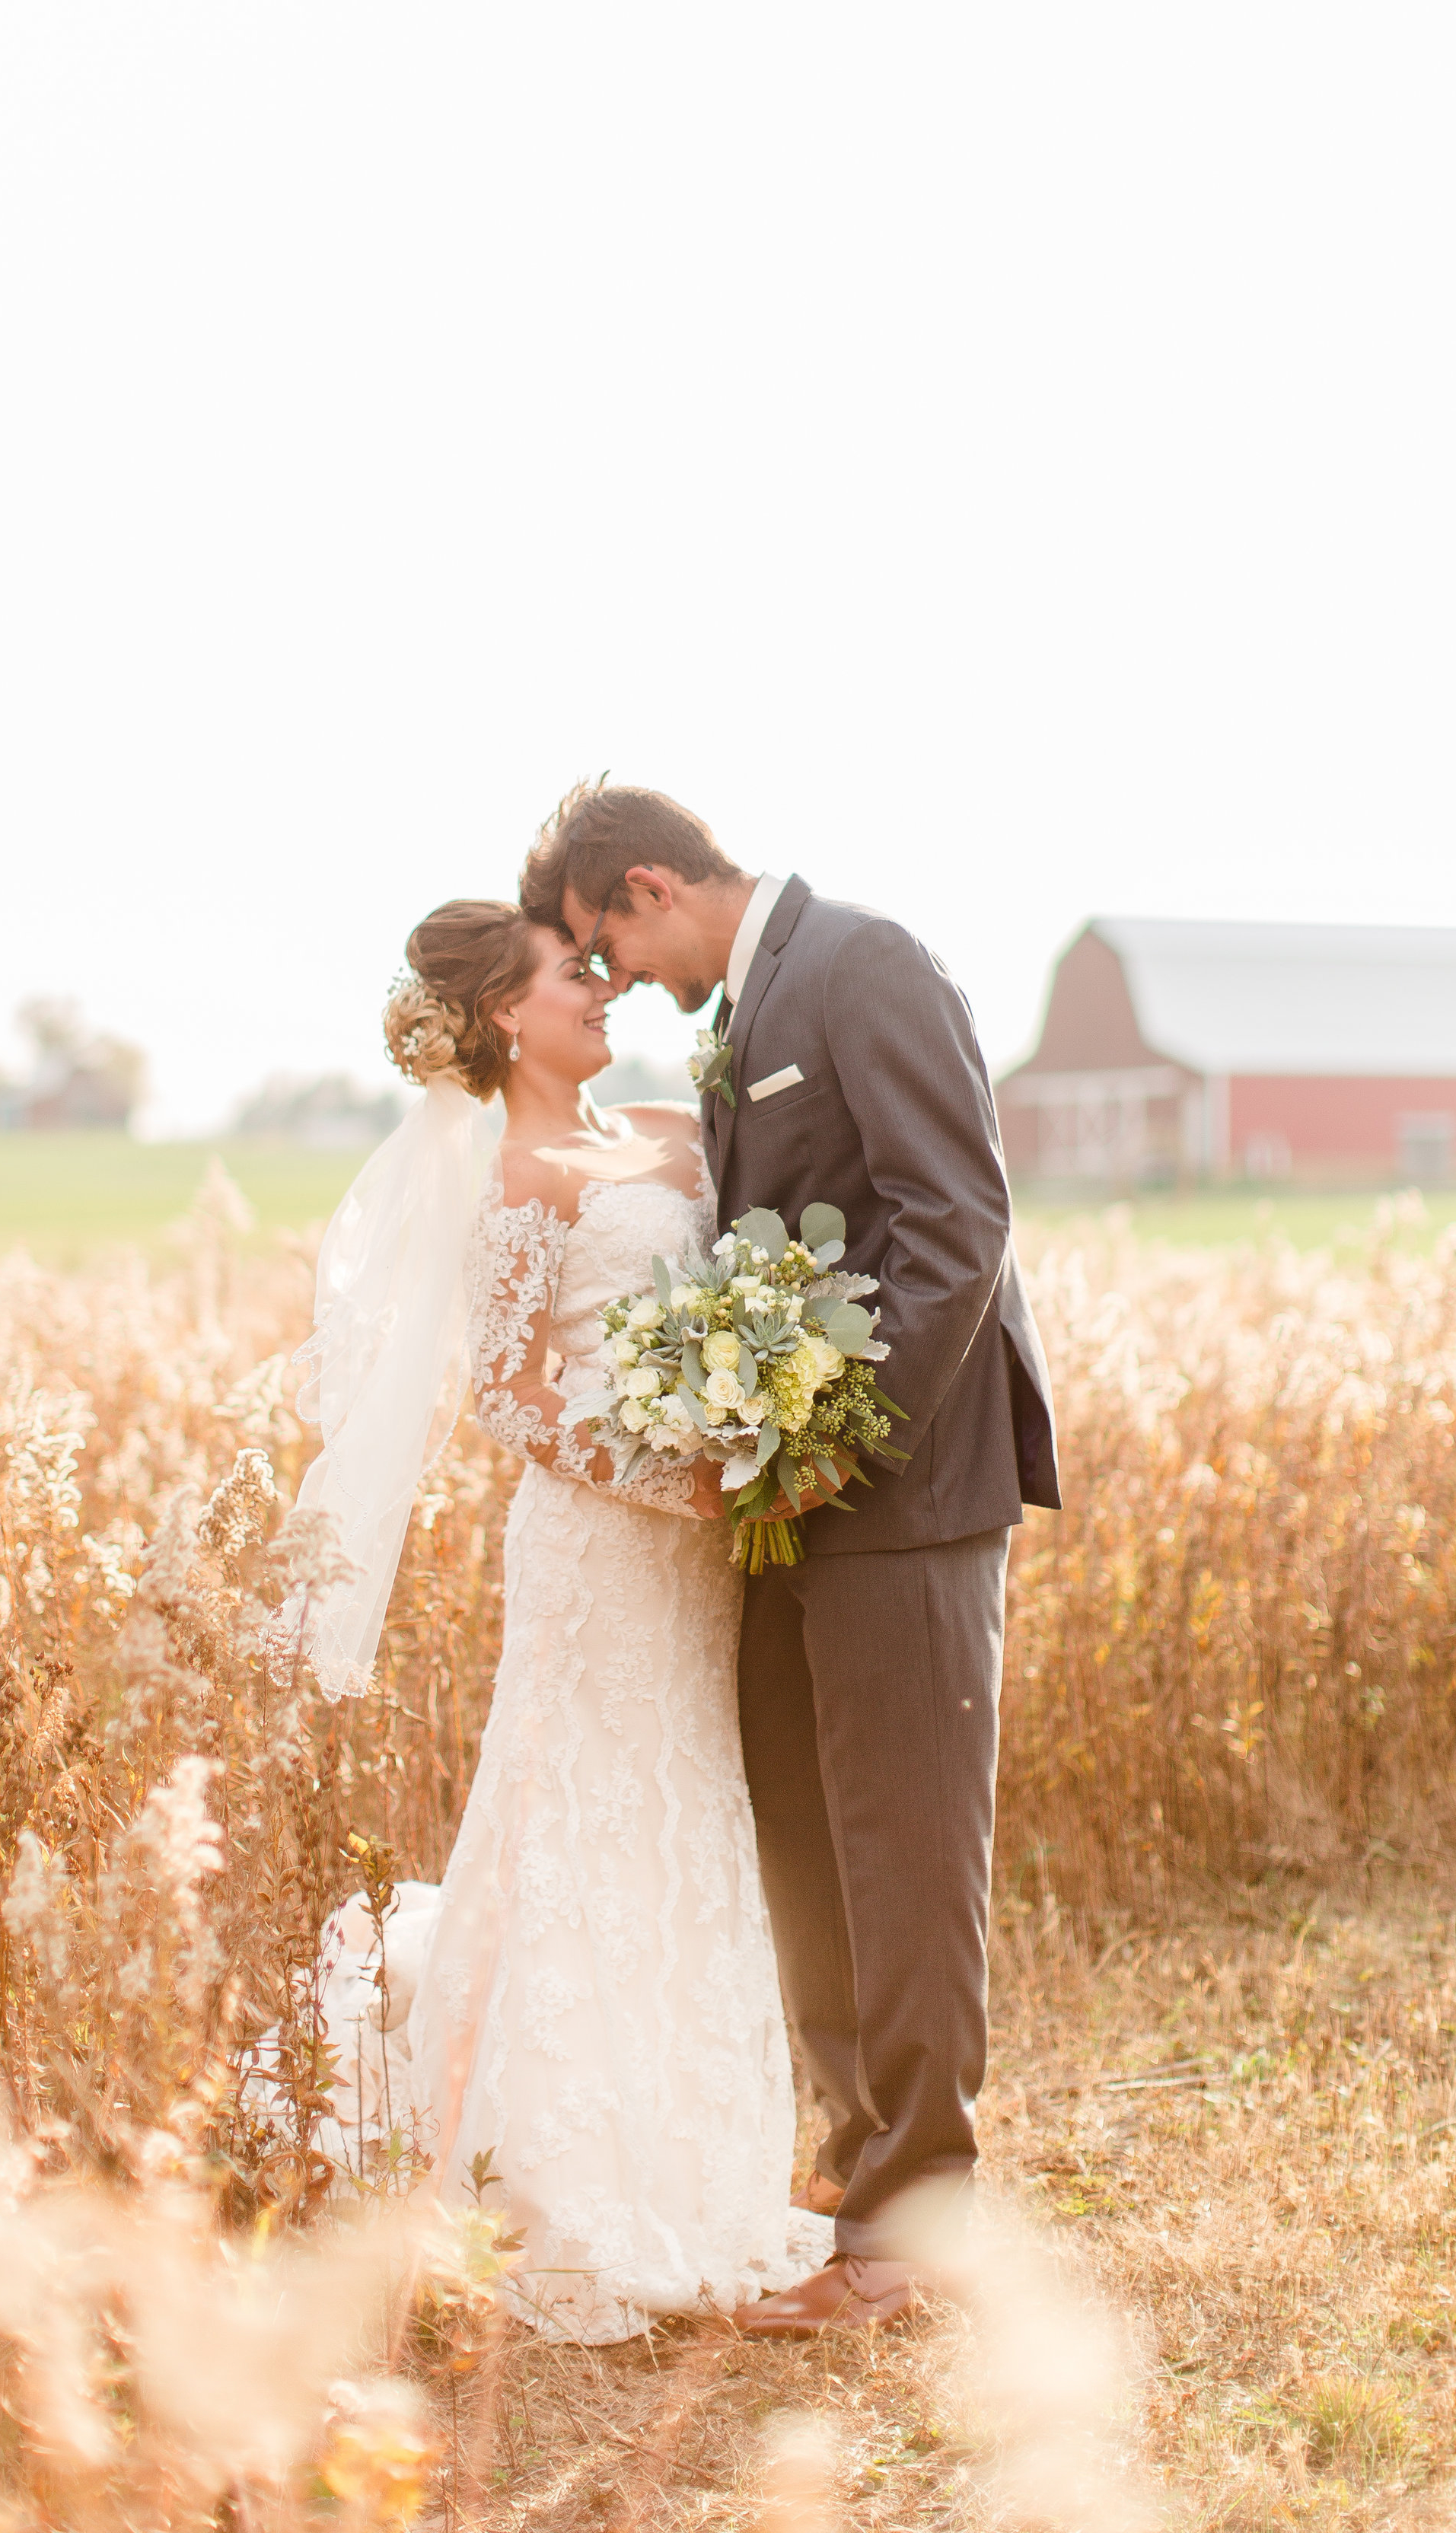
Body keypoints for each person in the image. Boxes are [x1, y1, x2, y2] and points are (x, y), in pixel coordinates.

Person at [518, 782, 1060, 2337]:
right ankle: (848, 2195)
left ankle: (913, 2232)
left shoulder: (863, 966)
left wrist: (833, 1438)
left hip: (900, 1490)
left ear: (643, 884)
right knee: (806, 1851)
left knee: (902, 1856)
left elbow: (955, 1224)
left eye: (602, 944)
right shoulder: (747, 1000)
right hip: (785, 1504)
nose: (613, 981)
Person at [274, 896, 820, 2343]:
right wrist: (679, 1482)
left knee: (690, 1808)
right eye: (574, 974)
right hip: (605, 1548)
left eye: (598, 966)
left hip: (702, 1544)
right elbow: (514, 1399)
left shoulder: (663, 1129)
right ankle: (570, 2172)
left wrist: (758, 1412)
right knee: (582, 1813)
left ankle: (702, 2160)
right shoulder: (514, 1179)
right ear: (507, 1015)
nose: (604, 987)